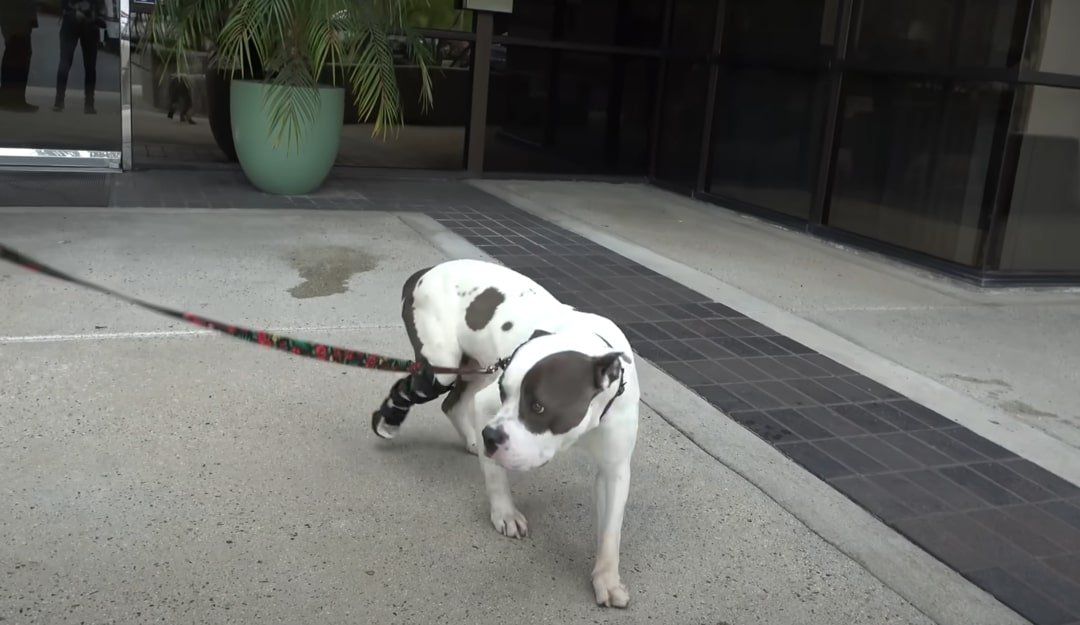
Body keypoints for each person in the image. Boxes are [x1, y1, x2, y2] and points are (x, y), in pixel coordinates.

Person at [54, 0, 106, 114]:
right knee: (88, 66)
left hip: (77, 20)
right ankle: (88, 103)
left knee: (67, 63)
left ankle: (59, 100)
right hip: (86, 20)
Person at [0, 0, 39, 112]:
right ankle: (15, 98)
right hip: (18, 15)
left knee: (15, 52)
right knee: (19, 54)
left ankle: (10, 96)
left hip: (16, 15)